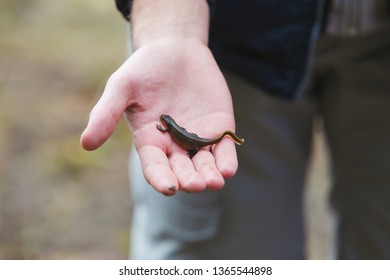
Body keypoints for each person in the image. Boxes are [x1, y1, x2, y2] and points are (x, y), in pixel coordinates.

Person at [81, 0, 390, 259]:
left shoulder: (174, 129)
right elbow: (176, 130)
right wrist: (171, 28)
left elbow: (174, 130)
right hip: (235, 47)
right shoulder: (177, 128)